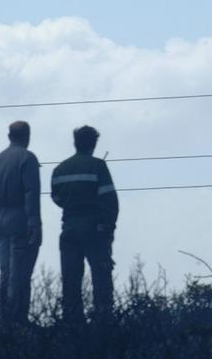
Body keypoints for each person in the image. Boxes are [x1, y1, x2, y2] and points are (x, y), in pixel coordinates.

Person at [51, 125, 119, 322]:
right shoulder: (98, 166)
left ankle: (72, 323)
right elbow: (110, 201)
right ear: (94, 143)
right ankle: (103, 321)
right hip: (94, 229)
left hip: (69, 227)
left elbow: (56, 198)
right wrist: (108, 229)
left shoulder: (60, 169)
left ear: (75, 142)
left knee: (71, 280)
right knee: (101, 277)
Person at [0, 120, 42, 323]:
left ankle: (5, 317)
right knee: (20, 273)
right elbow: (31, 193)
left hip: (0, 221)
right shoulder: (27, 158)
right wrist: (34, 223)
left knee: (6, 273)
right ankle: (18, 319)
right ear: (27, 136)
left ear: (9, 136)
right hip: (21, 220)